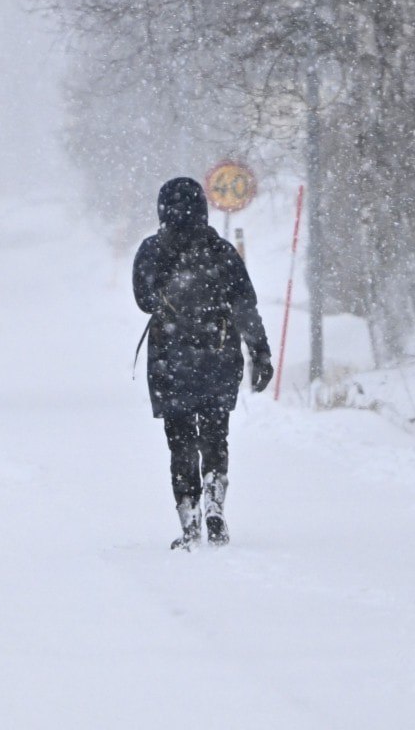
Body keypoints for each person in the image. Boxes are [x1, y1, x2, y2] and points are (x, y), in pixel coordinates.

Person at [132, 177, 273, 550]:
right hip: (218, 356)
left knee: (179, 443)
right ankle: (215, 502)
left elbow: (144, 301)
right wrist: (261, 353)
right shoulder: (222, 251)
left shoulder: (151, 250)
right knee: (215, 436)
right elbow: (246, 307)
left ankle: (189, 518)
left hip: (169, 361)